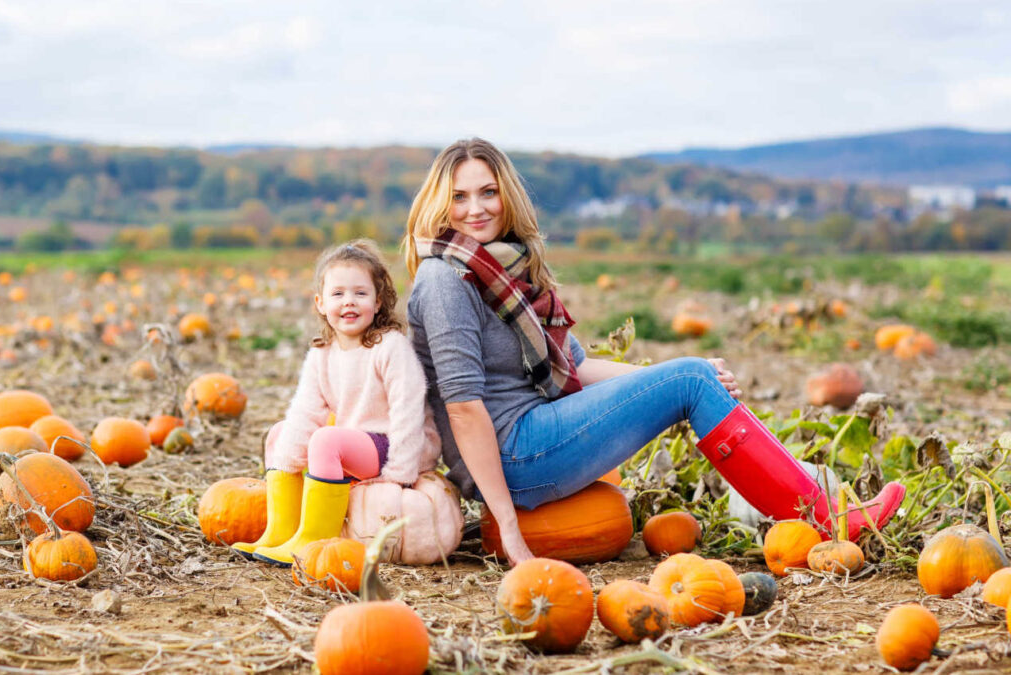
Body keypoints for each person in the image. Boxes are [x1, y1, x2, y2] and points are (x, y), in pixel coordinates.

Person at [403, 138, 905, 565]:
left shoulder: (503, 271)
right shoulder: (446, 279)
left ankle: (813, 512)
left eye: (488, 192)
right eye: (460, 197)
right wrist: (509, 529)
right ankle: (824, 518)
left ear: (506, 195)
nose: (476, 208)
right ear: (440, 205)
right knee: (687, 379)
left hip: (535, 436)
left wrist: (678, 379)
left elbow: (576, 366)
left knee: (689, 377)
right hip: (514, 455)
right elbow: (464, 409)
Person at [234, 239, 441, 566]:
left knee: (326, 439)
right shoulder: (322, 353)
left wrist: (400, 473)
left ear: (377, 303)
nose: (349, 302)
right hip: (356, 441)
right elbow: (305, 412)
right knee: (280, 433)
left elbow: (408, 411)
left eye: (360, 293)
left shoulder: (390, 347)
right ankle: (281, 531)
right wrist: (288, 463)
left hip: (396, 443)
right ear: (320, 302)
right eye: (338, 294)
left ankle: (314, 540)